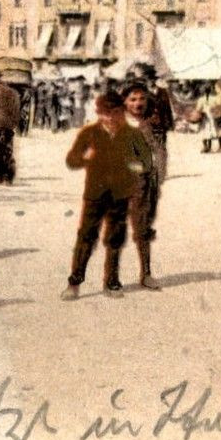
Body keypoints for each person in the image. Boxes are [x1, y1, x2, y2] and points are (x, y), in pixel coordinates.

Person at [62, 91, 151, 299]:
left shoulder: (132, 133)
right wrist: (86, 160)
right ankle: (74, 282)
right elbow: (71, 160)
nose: (111, 118)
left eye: (116, 113)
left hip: (120, 194)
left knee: (115, 238)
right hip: (95, 193)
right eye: (106, 114)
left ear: (122, 112)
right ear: (99, 113)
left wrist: (134, 165)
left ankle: (111, 281)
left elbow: (147, 162)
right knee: (86, 237)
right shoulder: (89, 133)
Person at [123, 83, 166, 289]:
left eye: (141, 98)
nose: (138, 103)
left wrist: (159, 177)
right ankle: (111, 277)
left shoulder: (152, 121)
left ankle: (146, 273)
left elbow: (160, 151)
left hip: (147, 183)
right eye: (132, 99)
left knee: (143, 226)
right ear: (124, 102)